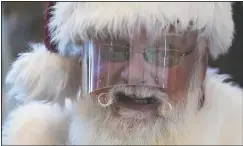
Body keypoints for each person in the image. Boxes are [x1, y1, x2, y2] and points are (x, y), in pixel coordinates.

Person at [2, 2, 242, 145]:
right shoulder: (38, 139)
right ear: (80, 61)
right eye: (112, 50)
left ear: (199, 67)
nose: (136, 76)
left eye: (165, 55)